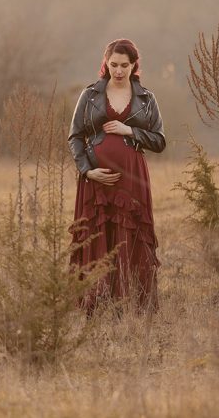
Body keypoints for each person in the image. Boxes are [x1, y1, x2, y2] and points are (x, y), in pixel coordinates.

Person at [67, 38, 165, 314]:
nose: (118, 71)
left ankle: (132, 301)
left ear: (134, 65)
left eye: (124, 65)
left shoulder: (147, 98)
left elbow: (159, 141)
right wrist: (88, 170)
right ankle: (95, 304)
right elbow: (75, 137)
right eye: (113, 65)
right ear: (105, 63)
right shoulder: (89, 96)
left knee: (130, 235)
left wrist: (129, 131)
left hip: (132, 179)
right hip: (95, 180)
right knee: (96, 235)